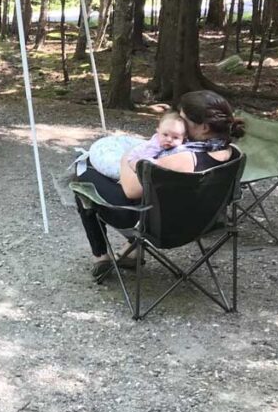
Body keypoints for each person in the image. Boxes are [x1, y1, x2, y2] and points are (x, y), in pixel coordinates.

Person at [74, 90, 245, 276]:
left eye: (183, 119)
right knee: (154, 195)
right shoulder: (233, 153)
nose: (179, 123)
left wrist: (127, 158)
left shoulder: (182, 159)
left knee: (84, 170)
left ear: (203, 127)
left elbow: (130, 190)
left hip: (159, 229)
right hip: (201, 223)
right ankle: (131, 254)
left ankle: (101, 256)